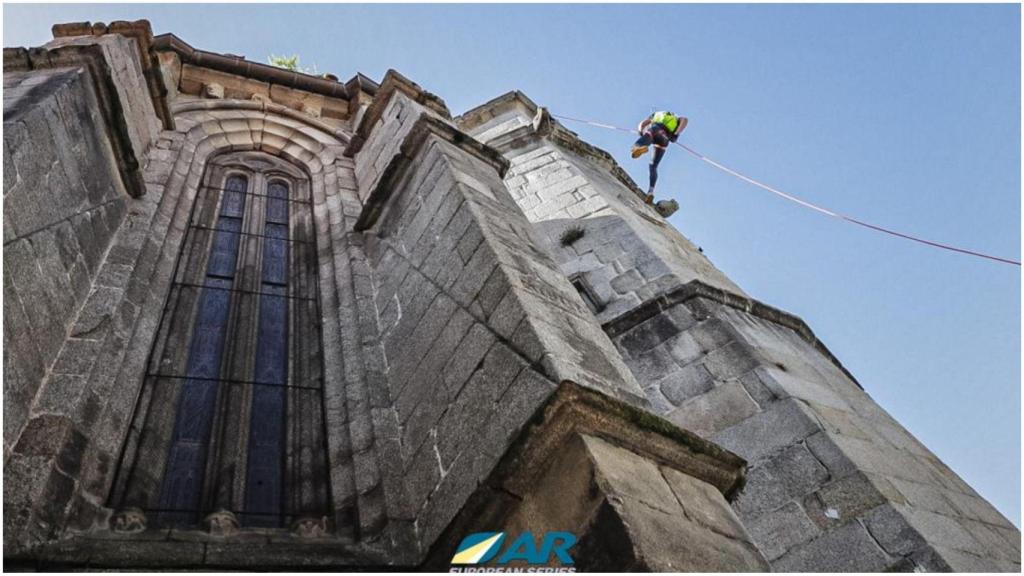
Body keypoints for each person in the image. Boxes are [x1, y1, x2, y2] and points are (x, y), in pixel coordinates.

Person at [631, 111, 688, 203]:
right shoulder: (676, 118)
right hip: (665, 138)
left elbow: (643, 123)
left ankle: (639, 147)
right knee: (653, 166)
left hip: (656, 129)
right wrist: (676, 133)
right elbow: (685, 119)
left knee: (636, 146)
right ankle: (651, 191)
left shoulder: (656, 114)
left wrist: (641, 131)